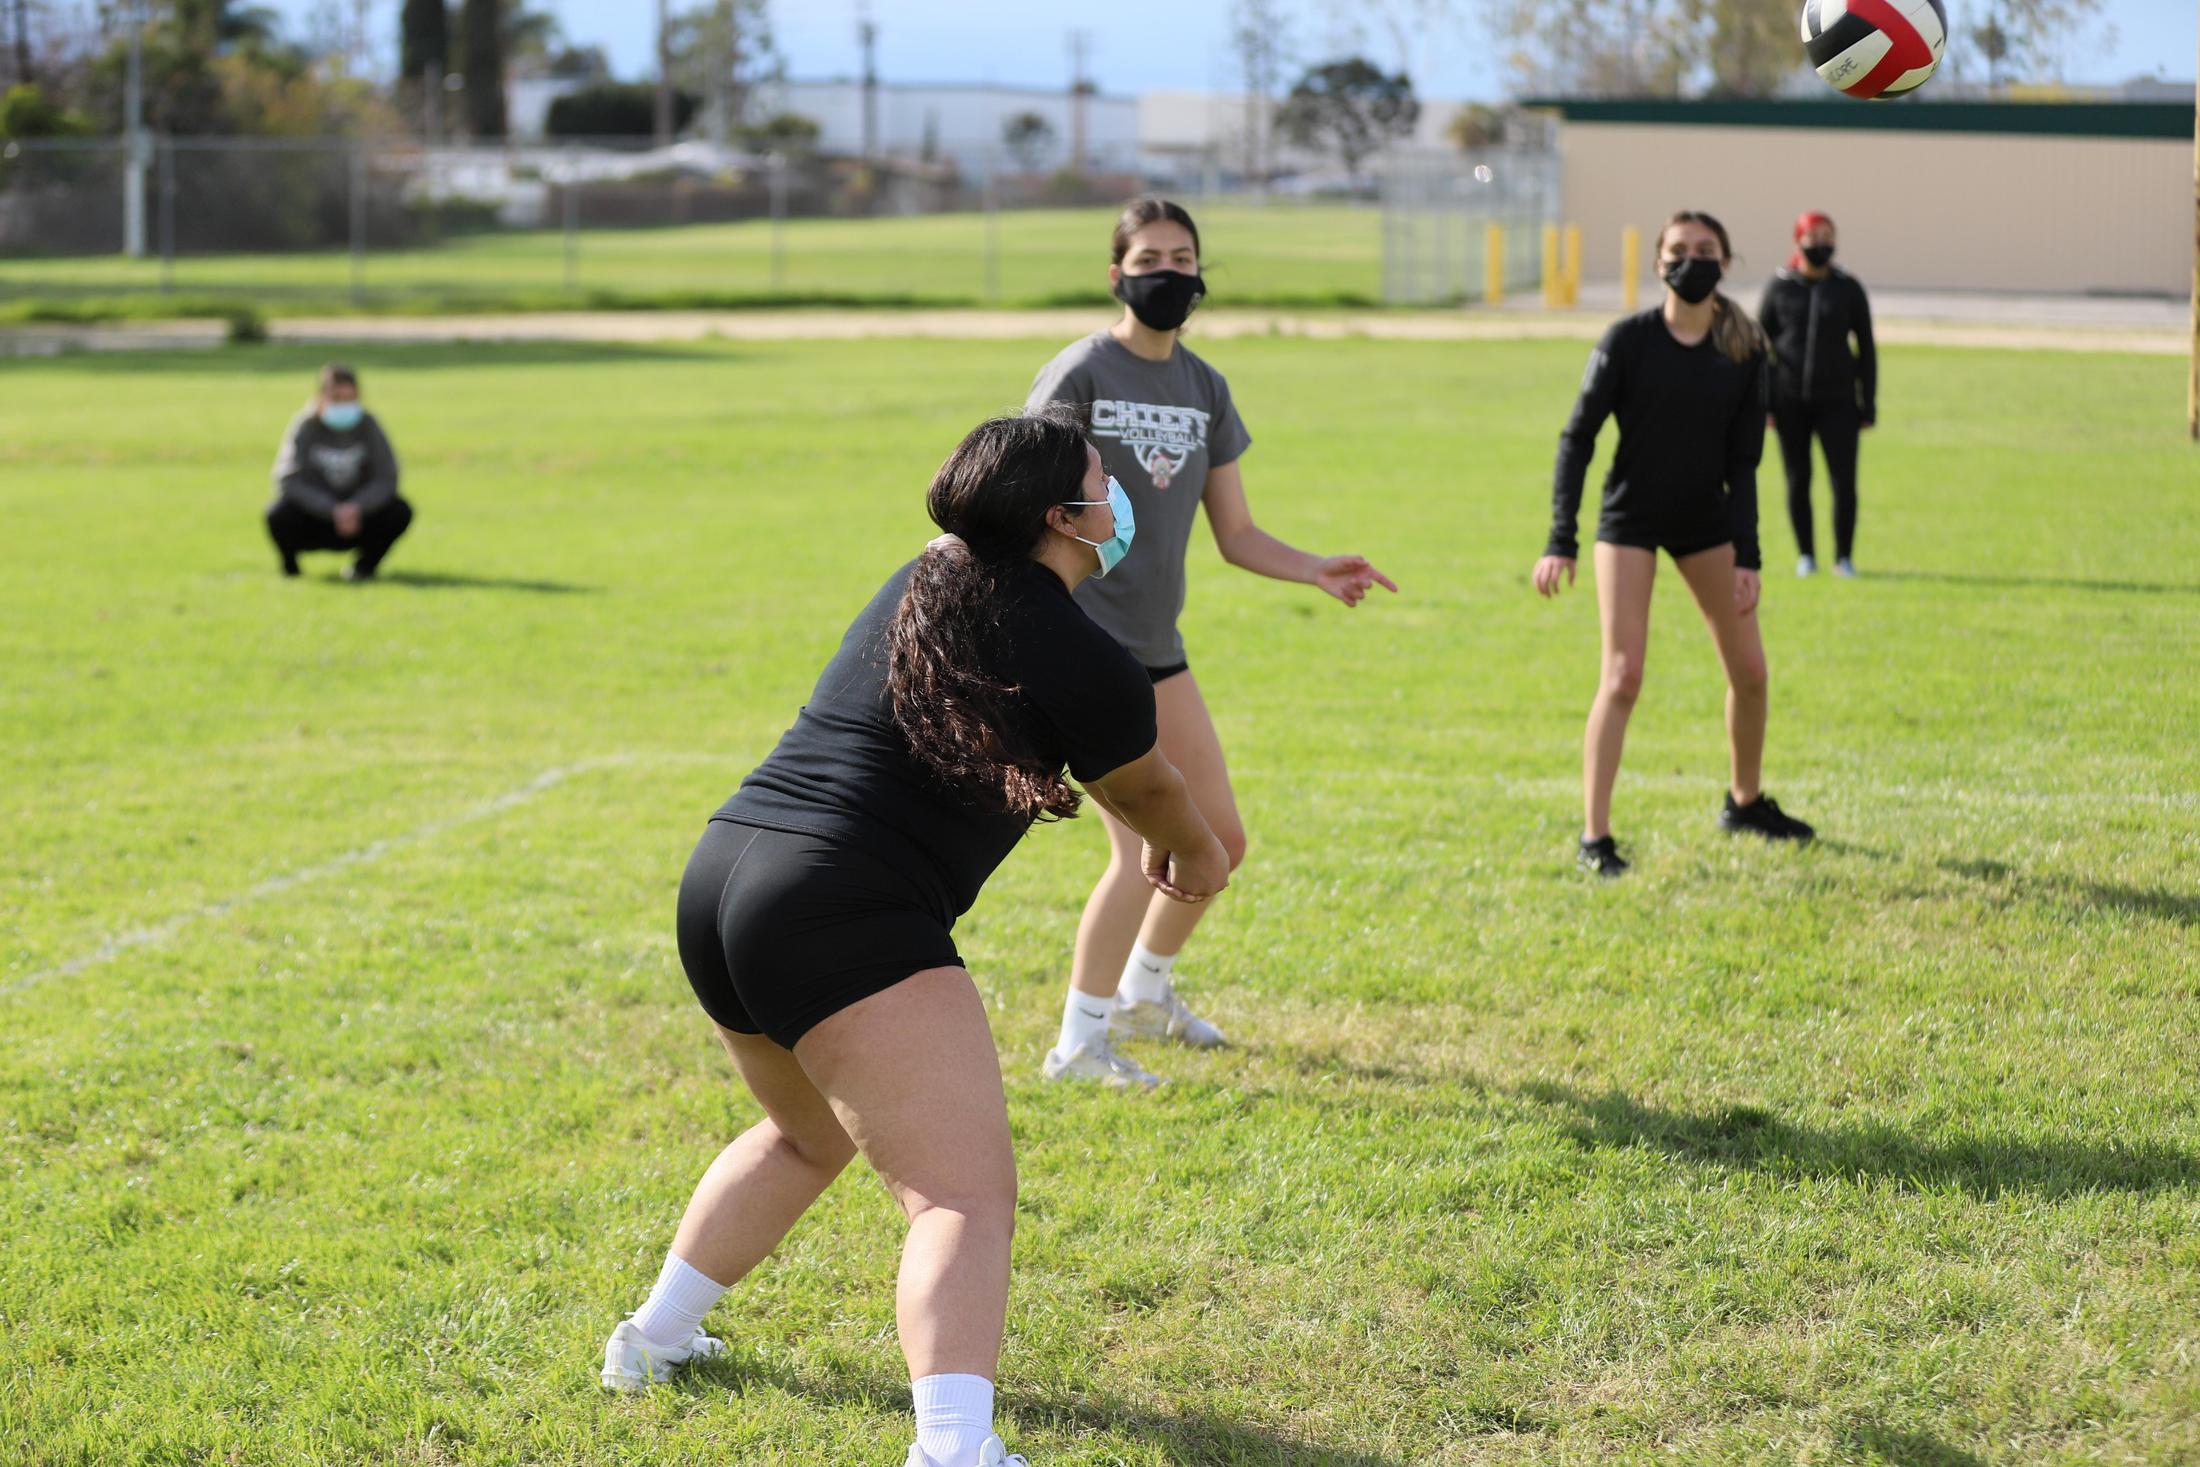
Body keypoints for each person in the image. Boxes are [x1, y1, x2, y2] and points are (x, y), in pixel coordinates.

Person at [600, 407, 1228, 1467]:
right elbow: (1151, 792)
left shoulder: (925, 575)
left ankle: (653, 1338)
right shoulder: (1082, 654)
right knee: (960, 1198)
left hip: (724, 877)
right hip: (840, 906)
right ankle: (952, 1450)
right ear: (1064, 517)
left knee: (807, 1135)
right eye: (1100, 478)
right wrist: (1200, 854)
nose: (1117, 494)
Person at [1024, 196, 1395, 1089]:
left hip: (1157, 649)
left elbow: (1236, 533)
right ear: (1116, 275)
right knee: (1136, 851)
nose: (1168, 274)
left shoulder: (1205, 388)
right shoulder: (1081, 373)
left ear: (1201, 274)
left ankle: (1144, 993)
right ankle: (1078, 1044)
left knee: (1218, 839)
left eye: (1183, 260)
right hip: (1082, 645)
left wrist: (1314, 567)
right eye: (1149, 259)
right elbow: (1021, 496)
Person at [1535, 210, 1816, 878]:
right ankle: (1595, 838)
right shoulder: (1627, 340)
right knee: (1623, 675)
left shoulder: (1744, 349)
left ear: (1726, 261)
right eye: (1680, 249)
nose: (1693, 259)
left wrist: (1747, 556)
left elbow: (1743, 464)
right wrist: (1560, 538)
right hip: (1630, 521)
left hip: (1705, 524)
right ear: (1659, 262)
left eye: (1706, 249)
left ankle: (1744, 803)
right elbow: (1578, 437)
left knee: (1751, 672)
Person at [1758, 211, 1876, 579]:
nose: (1822, 244)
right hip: (1789, 403)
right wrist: (1765, 402)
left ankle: (1844, 558)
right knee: (1798, 480)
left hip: (1839, 403)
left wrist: (1868, 403)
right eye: (1814, 236)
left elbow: (1866, 348)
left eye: (1828, 236)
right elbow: (1759, 349)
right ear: (1798, 241)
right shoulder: (1780, 288)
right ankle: (1806, 555)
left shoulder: (1848, 288)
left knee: (1844, 482)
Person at [265, 363, 412, 581]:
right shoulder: (305, 426)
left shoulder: (368, 425)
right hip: (316, 517)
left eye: (349, 398)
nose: (343, 405)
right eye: (336, 398)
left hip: (360, 517)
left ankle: (364, 568)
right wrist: (330, 508)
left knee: (399, 511)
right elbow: (288, 479)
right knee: (278, 514)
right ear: (321, 397)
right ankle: (291, 569)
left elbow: (387, 477)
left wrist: (357, 506)